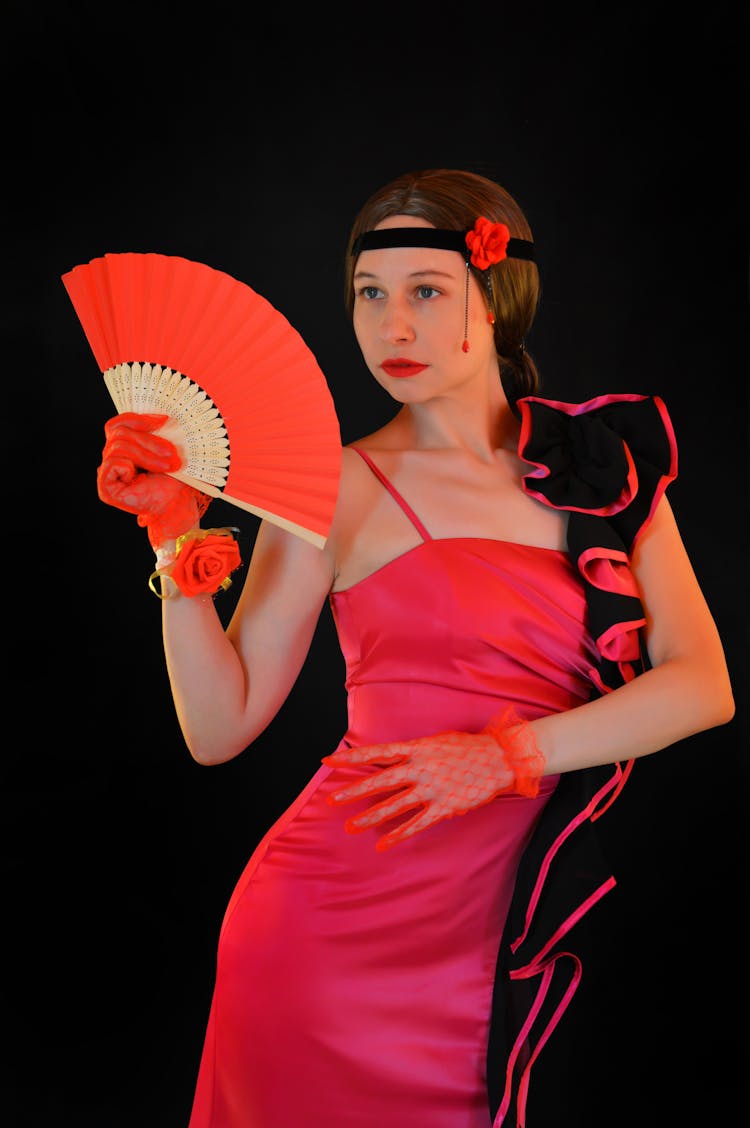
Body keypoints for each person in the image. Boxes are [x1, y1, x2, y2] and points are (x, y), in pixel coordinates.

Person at [95, 168, 734, 1127]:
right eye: (370, 295)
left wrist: (509, 755)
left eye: (426, 292)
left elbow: (704, 686)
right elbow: (218, 727)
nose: (392, 327)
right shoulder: (335, 486)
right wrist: (175, 538)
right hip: (321, 933)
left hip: (489, 940)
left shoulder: (602, 468)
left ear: (499, 294)